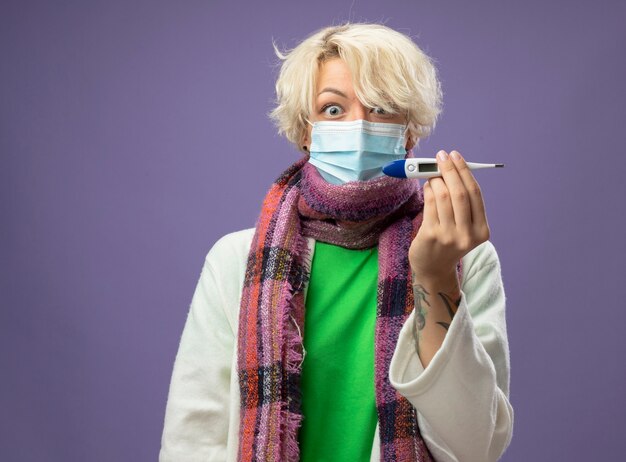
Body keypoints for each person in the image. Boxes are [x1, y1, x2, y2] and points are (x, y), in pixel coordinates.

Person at [159, 23, 513, 462]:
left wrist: (437, 276)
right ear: (305, 131)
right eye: (332, 109)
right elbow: (192, 441)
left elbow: (475, 446)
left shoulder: (464, 259)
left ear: (410, 134)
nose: (359, 126)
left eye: (382, 107)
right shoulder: (237, 260)